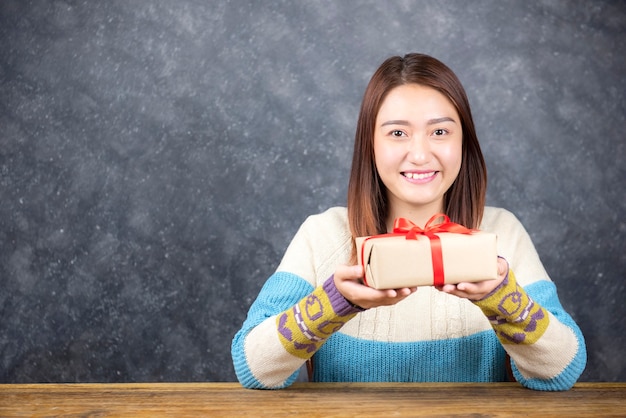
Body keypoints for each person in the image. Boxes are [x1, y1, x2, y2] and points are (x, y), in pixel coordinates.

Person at [231, 53, 586, 391]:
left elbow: (562, 370)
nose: (419, 154)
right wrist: (335, 302)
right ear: (370, 144)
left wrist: (502, 298)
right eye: (397, 133)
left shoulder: (503, 233)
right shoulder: (321, 235)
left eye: (440, 132)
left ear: (465, 142)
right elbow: (254, 369)